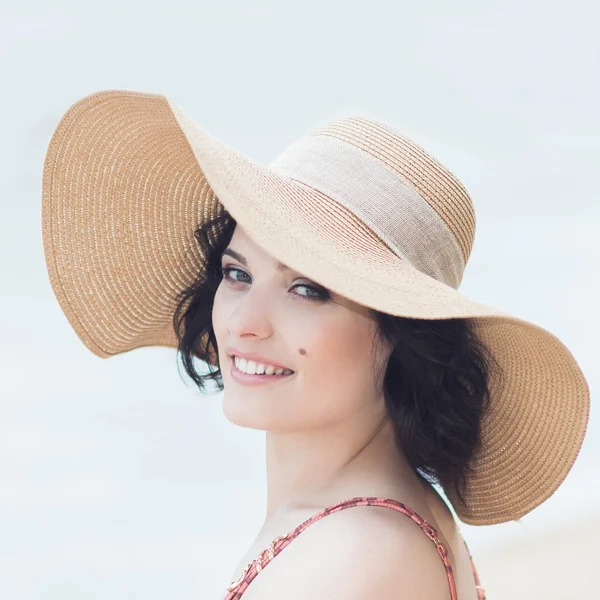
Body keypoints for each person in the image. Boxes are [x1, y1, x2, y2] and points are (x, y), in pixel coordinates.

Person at [41, 90, 590, 600]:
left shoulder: (349, 557)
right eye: (237, 274)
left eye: (307, 290)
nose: (245, 323)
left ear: (403, 335)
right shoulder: (363, 517)